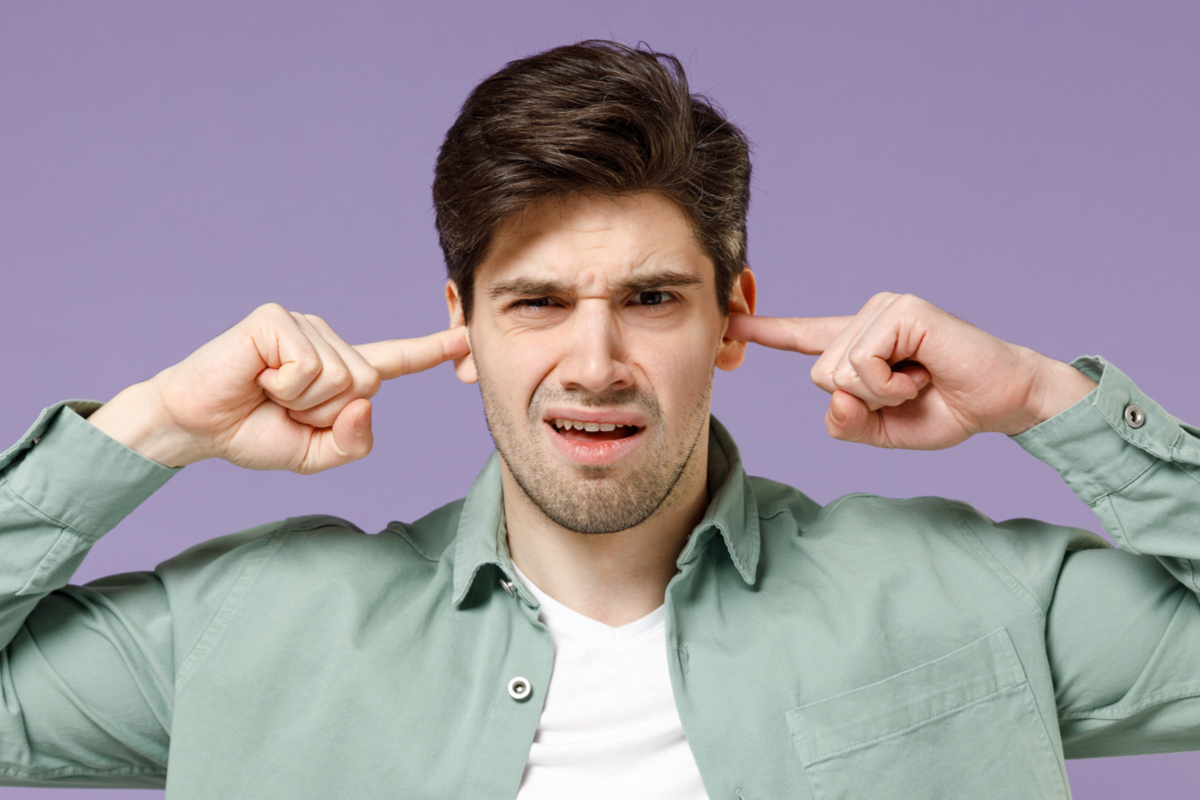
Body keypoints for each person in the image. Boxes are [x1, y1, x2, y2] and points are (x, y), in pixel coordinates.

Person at [0, 40, 1196, 799]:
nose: (597, 361)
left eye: (651, 299)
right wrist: (151, 426)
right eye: (536, 303)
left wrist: (1052, 401)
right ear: (463, 328)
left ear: (731, 319)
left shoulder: (970, 597)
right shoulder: (244, 631)